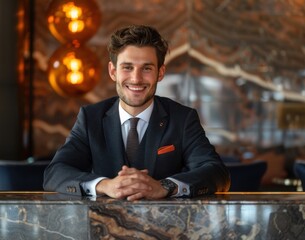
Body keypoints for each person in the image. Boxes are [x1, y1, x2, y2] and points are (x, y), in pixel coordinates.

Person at [43, 25, 230, 201]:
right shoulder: (91, 117)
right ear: (113, 71)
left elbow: (216, 173)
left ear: (160, 72)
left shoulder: (183, 118)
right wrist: (105, 185)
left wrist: (165, 186)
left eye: (147, 68)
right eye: (127, 67)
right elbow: (55, 173)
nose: (136, 78)